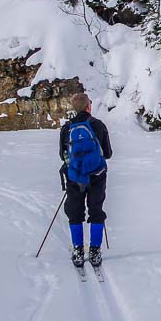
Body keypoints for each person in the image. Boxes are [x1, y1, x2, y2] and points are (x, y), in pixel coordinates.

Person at [59, 92, 112, 268]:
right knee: (96, 209)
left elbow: (62, 154)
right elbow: (108, 153)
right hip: (97, 175)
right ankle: (95, 251)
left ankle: (78, 250)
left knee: (75, 212)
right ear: (89, 106)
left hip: (75, 177)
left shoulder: (67, 128)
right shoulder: (98, 125)